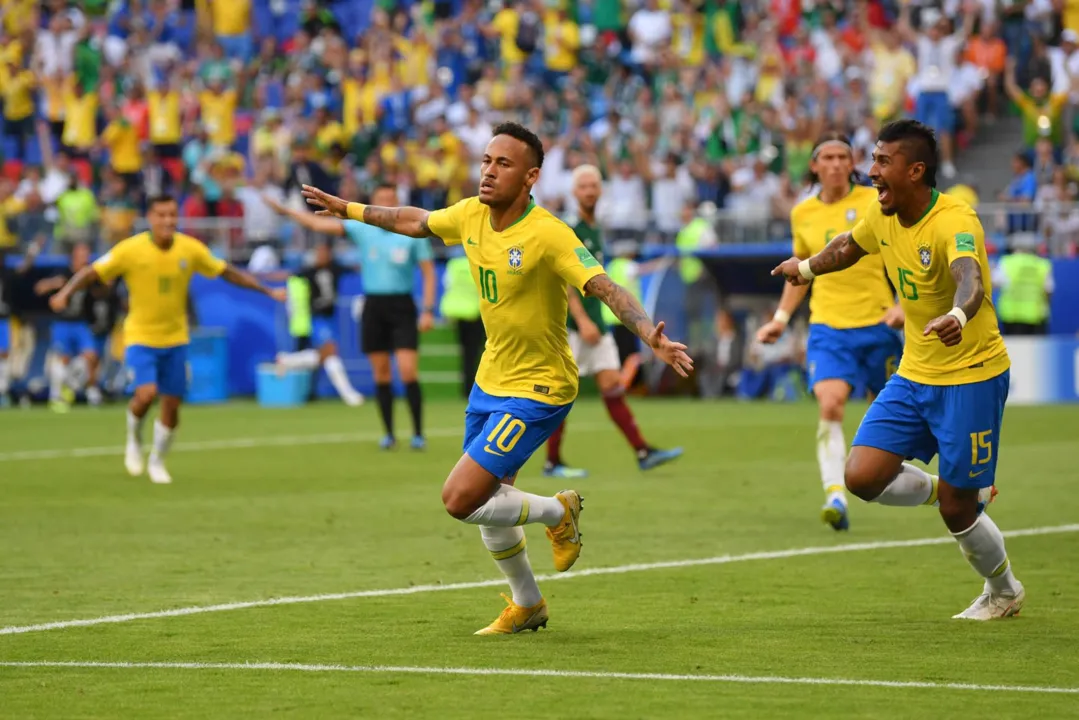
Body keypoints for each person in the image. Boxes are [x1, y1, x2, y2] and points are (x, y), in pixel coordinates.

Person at [300, 122, 692, 634]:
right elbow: (411, 218)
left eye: (502, 164)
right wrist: (348, 208)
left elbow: (606, 288)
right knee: (493, 499)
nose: (488, 171)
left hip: (540, 386)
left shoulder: (549, 232)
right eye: (486, 160)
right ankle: (527, 602)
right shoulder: (468, 214)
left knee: (460, 499)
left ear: (530, 176)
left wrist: (649, 335)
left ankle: (557, 512)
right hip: (491, 379)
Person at [772, 120, 1024, 620]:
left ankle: (1004, 591)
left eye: (882, 163)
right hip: (915, 373)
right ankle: (948, 490)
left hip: (972, 373)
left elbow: (968, 278)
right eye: (873, 160)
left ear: (916, 170)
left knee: (958, 510)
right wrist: (803, 270)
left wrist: (956, 315)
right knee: (861, 477)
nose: (871, 172)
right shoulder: (880, 213)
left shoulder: (954, 219)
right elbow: (848, 246)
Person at [49, 195, 286, 485]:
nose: (168, 221)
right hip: (140, 336)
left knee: (172, 406)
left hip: (176, 338)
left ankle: (157, 461)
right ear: (150, 218)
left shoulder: (190, 249)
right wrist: (65, 294)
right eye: (161, 215)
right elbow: (92, 272)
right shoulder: (131, 250)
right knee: (146, 395)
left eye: (173, 215)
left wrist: (267, 291)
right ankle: (134, 437)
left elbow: (227, 272)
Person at [757, 132, 904, 531]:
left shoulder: (876, 203)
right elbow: (800, 270)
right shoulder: (802, 213)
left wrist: (902, 304)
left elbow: (903, 252)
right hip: (828, 327)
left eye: (844, 156)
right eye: (829, 157)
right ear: (815, 165)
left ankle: (944, 487)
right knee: (830, 404)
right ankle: (836, 495)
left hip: (877, 323)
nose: (838, 163)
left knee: (900, 418)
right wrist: (781, 319)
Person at [265, 187, 436, 448]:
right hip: (374, 305)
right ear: (374, 203)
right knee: (381, 373)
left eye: (390, 200)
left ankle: (418, 434)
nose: (386, 205)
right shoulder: (363, 228)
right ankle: (389, 433)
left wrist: (427, 309)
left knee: (407, 370)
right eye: (381, 200)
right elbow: (318, 224)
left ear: (397, 203)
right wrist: (286, 211)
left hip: (402, 305)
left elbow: (428, 272)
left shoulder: (412, 232)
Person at [544, 165, 683, 479]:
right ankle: (551, 461)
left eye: (594, 185)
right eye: (583, 186)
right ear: (574, 192)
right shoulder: (573, 229)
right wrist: (581, 319)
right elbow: (566, 280)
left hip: (597, 325)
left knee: (613, 388)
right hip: (577, 327)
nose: (590, 191)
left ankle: (643, 451)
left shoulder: (594, 229)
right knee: (559, 393)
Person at [272, 239, 365, 406]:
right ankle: (349, 395)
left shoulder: (335, 268)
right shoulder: (309, 271)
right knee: (331, 351)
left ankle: (288, 361)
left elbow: (356, 269)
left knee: (327, 356)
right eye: (318, 252)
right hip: (317, 317)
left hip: (331, 318)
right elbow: (289, 275)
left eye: (324, 252)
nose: (321, 256)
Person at [35, 243, 107, 411]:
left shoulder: (89, 276)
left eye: (87, 254)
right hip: (63, 323)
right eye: (82, 254)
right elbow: (40, 288)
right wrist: (53, 284)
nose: (85, 258)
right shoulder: (62, 274)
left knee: (91, 357)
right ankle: (59, 394)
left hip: (81, 323)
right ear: (74, 256)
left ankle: (87, 389)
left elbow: (102, 292)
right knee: (63, 359)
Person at [439, 245, 485, 398]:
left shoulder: (453, 265)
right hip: (477, 312)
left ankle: (467, 390)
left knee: (467, 354)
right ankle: (482, 389)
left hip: (458, 312)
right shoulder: (481, 263)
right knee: (483, 352)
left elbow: (447, 285)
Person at [992, 232, 1054, 335]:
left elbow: (994, 284)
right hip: (1036, 316)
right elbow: (1048, 290)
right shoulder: (1043, 264)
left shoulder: (1007, 262)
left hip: (1011, 316)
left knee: (1015, 349)